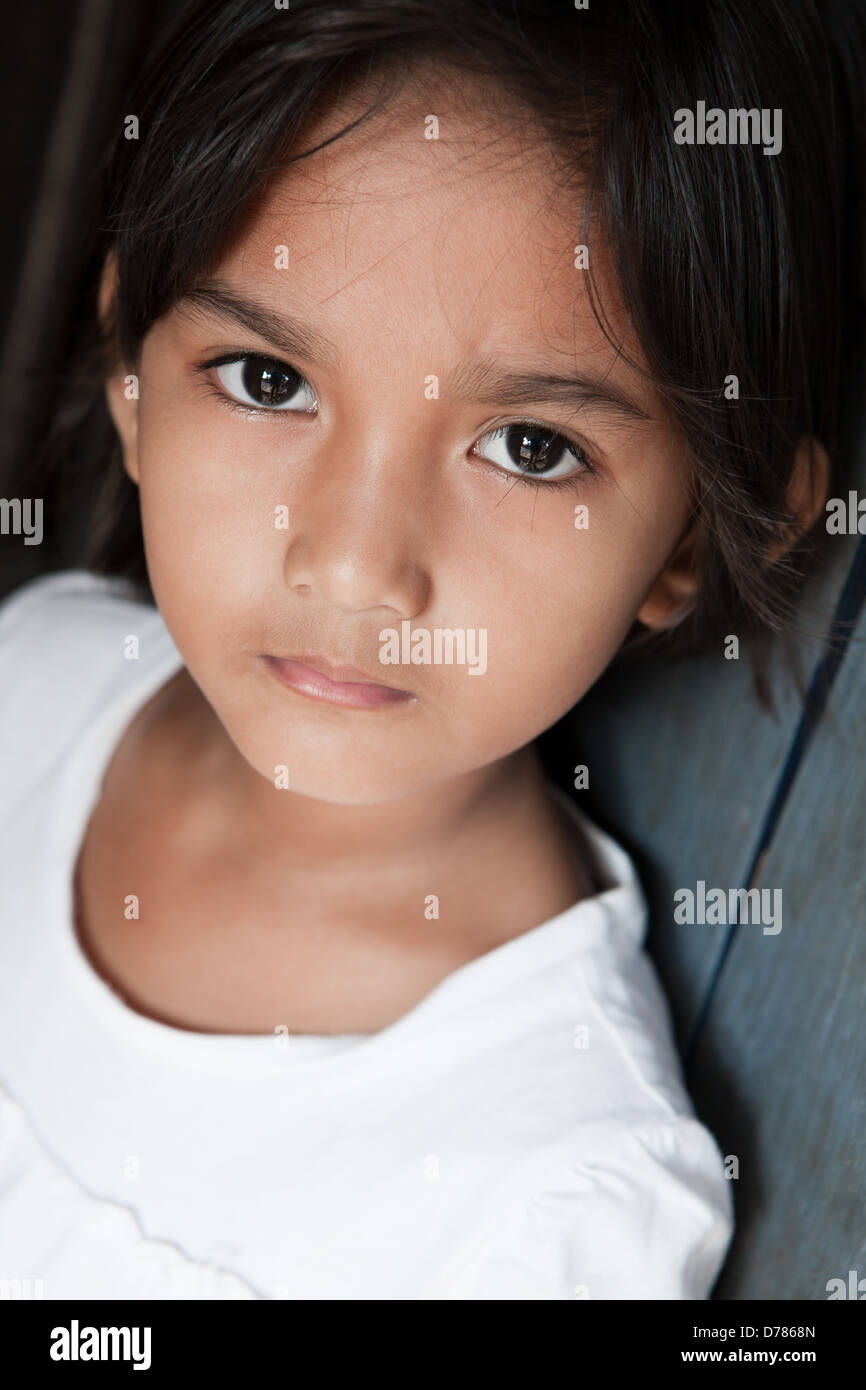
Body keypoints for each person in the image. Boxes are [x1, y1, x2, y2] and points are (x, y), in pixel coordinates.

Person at [1, 0, 862, 1299]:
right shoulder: (37, 667)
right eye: (264, 379)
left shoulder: (554, 1206)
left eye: (528, 448)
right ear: (132, 374)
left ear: (688, 538)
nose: (351, 563)